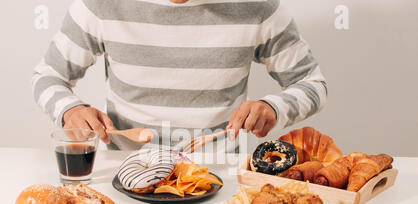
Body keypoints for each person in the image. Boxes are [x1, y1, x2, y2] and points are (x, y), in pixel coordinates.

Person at [32, 0, 327, 150]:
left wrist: (273, 108)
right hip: (126, 172)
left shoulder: (256, 7)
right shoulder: (102, 4)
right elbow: (48, 76)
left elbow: (312, 84)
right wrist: (70, 110)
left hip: (219, 177)